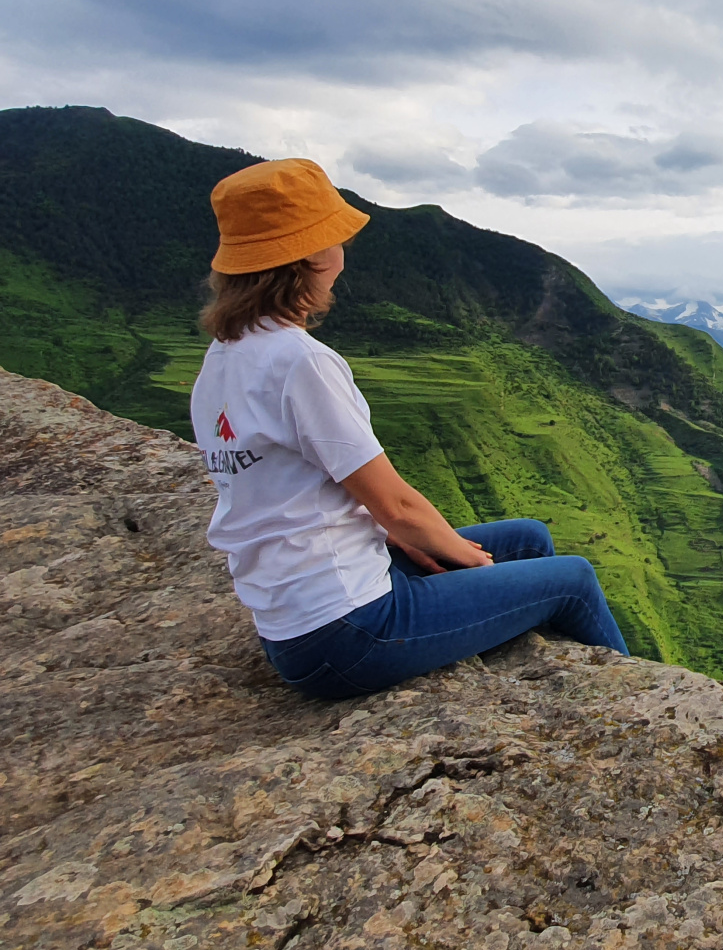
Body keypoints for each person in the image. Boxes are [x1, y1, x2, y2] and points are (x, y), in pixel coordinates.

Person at [189, 157, 628, 700]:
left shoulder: (222, 359)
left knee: (528, 538)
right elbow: (396, 505)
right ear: (308, 258)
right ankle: (637, 706)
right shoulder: (300, 362)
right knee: (575, 579)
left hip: (293, 625)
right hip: (350, 631)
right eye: (334, 240)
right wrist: (467, 559)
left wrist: (410, 541)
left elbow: (292, 493)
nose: (342, 256)